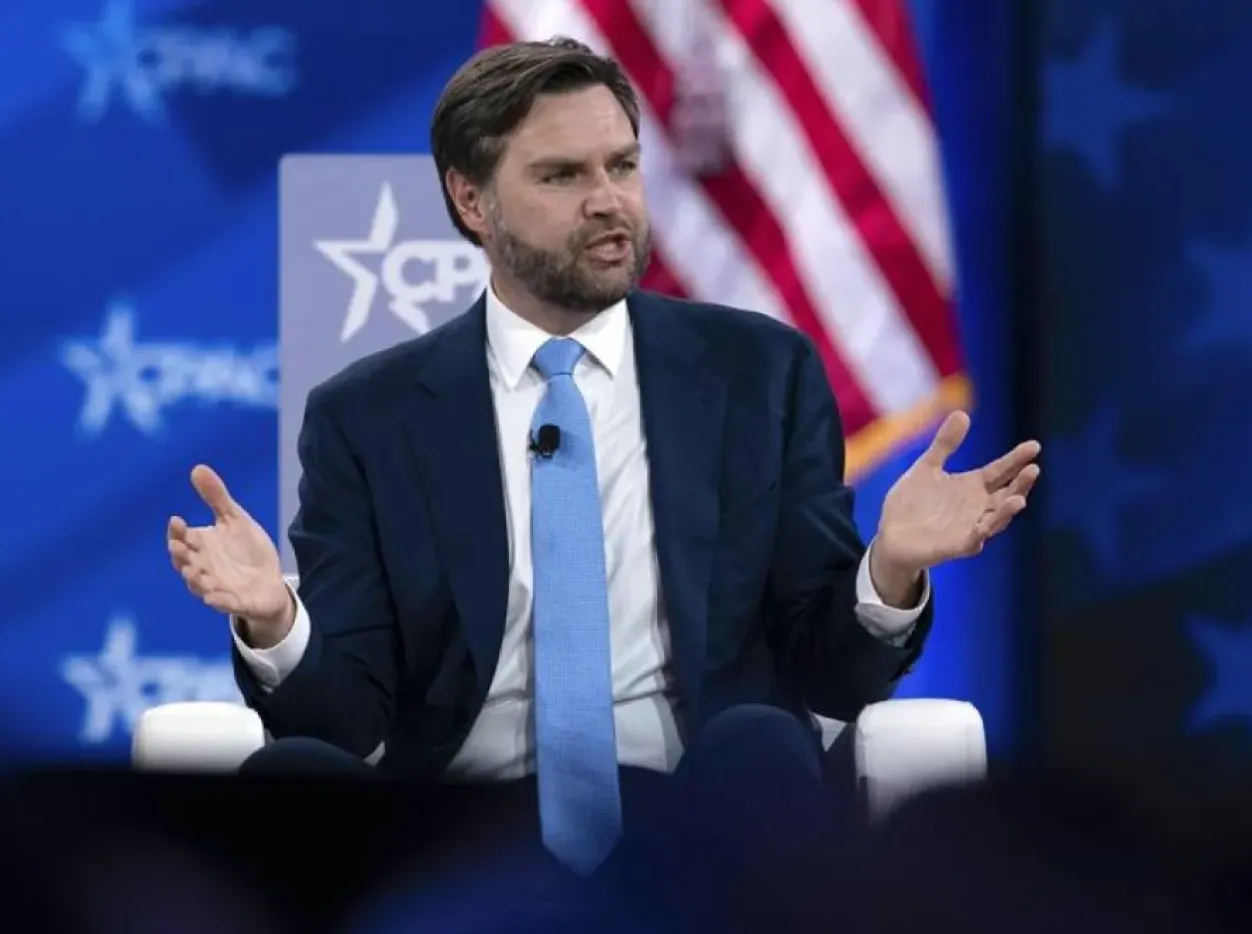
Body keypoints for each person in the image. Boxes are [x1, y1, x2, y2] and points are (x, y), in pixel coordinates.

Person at [166, 37, 1039, 878]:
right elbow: (345, 719)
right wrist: (276, 621)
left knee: (763, 738)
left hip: (706, 829)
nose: (609, 200)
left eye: (622, 166)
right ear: (471, 201)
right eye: (562, 175)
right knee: (289, 776)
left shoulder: (760, 374)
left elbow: (829, 672)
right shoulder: (368, 415)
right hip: (461, 840)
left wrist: (889, 570)